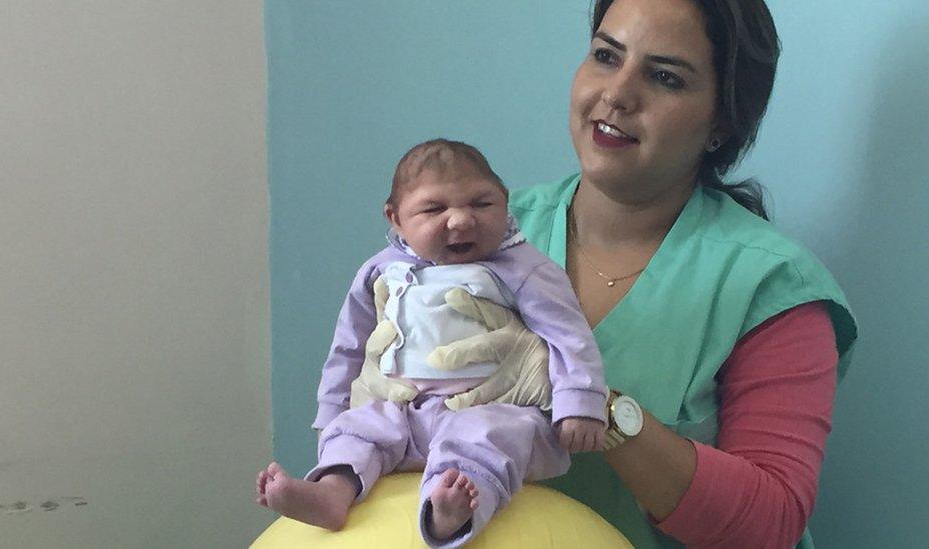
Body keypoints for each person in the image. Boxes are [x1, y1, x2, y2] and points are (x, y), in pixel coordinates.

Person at [290, 0, 857, 547]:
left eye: (665, 78)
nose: (616, 93)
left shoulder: (771, 286)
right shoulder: (479, 229)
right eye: (607, 56)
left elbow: (769, 524)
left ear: (722, 121)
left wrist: (599, 408)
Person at [255, 139, 609, 548]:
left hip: (483, 407)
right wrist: (332, 413)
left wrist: (580, 402)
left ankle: (453, 512)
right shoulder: (380, 271)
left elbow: (567, 333)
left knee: (493, 434)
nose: (460, 221)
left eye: (481, 204)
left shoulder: (522, 267)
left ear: (505, 202)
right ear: (396, 219)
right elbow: (348, 347)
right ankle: (332, 492)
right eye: (433, 209)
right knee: (359, 430)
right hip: (400, 410)